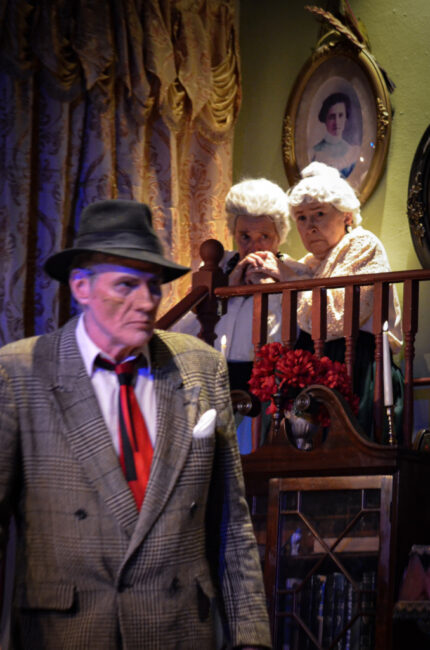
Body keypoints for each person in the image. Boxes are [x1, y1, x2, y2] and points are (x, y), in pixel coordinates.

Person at [0, 199, 271, 649]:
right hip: (65, 633)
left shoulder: (200, 367)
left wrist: (251, 639)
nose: (146, 302)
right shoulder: (20, 373)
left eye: (153, 286)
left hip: (178, 630)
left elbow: (232, 522)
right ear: (81, 286)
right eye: (126, 285)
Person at [172, 178, 309, 452]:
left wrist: (281, 282)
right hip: (212, 380)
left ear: (279, 236)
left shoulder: (296, 273)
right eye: (245, 236)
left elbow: (303, 332)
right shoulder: (216, 267)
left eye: (264, 237)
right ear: (234, 232)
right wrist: (228, 288)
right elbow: (181, 332)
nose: (254, 247)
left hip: (262, 388)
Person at [285, 162, 403, 441]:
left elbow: (338, 318)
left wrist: (290, 279)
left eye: (319, 214)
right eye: (301, 218)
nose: (309, 226)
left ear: (347, 217)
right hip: (323, 366)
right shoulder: (310, 263)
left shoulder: (363, 244)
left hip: (360, 364)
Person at [312, 92, 361, 178]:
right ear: (325, 119)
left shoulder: (353, 152)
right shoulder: (314, 153)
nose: (337, 122)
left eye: (341, 115)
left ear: (346, 117)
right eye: (332, 117)